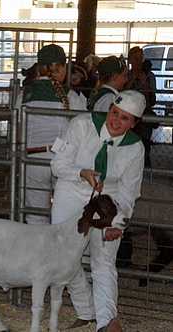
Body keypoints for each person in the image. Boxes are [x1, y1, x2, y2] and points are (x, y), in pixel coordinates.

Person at [51, 90, 146, 332]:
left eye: (125, 118)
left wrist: (117, 223)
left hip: (109, 200)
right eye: (115, 113)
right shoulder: (82, 124)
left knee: (103, 260)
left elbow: (129, 191)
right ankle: (86, 310)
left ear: (134, 123)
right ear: (110, 109)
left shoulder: (135, 148)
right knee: (66, 257)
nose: (116, 121)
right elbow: (58, 165)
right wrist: (81, 173)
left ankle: (106, 321)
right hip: (72, 190)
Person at [21, 43, 86, 225]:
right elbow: (83, 127)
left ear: (39, 67)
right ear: (63, 68)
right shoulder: (71, 96)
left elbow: (19, 127)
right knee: (64, 214)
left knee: (35, 214)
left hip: (33, 159)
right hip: (62, 160)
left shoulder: (25, 94)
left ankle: (38, 252)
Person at [126, 46, 157, 167]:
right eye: (135, 58)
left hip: (144, 116)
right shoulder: (126, 76)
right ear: (129, 60)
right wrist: (132, 80)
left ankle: (145, 169)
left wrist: (145, 85)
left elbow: (153, 100)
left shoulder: (150, 76)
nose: (138, 61)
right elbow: (121, 95)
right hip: (128, 115)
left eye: (140, 58)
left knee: (144, 145)